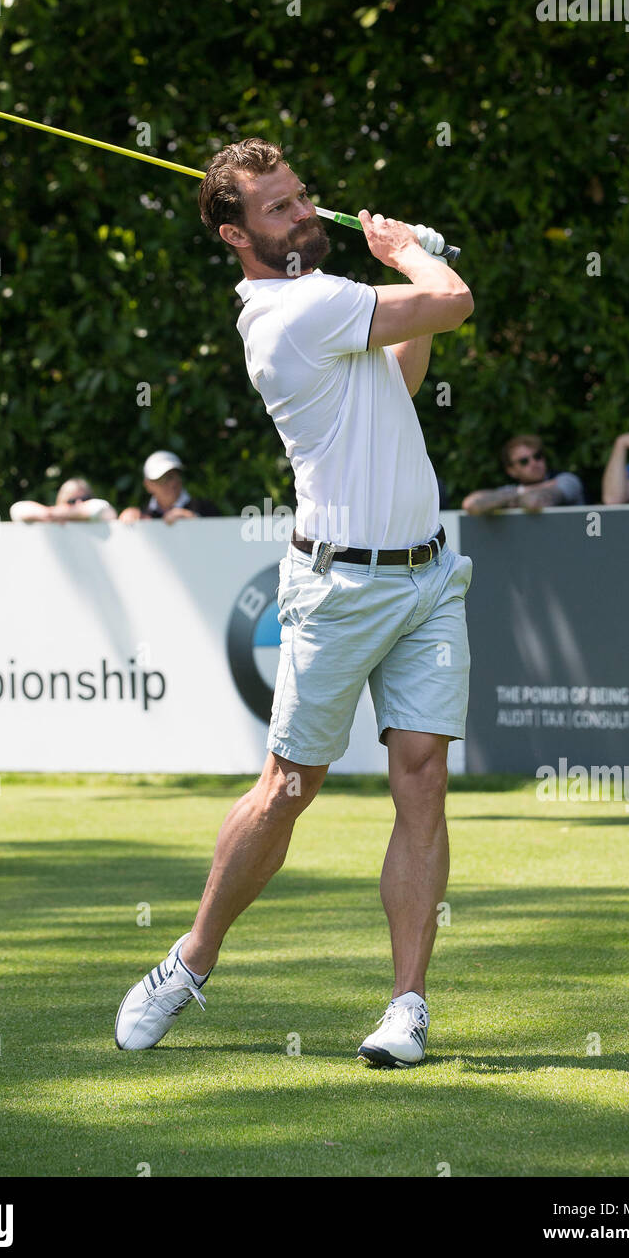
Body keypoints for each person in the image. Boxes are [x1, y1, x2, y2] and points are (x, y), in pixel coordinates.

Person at [115, 138, 474, 1068]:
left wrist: (413, 278)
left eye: (302, 195)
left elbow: (403, 374)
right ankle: (189, 962)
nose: (304, 213)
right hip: (341, 586)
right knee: (288, 790)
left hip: (430, 574)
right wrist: (411, 254)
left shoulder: (329, 307)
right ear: (236, 235)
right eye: (277, 210)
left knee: (423, 774)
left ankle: (406, 1006)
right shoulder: (294, 312)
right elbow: (453, 301)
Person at [461, 435, 584, 514]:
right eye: (524, 461)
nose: (534, 463)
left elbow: (534, 503)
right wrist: (520, 492)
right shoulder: (516, 490)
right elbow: (470, 503)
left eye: (537, 456)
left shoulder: (567, 480)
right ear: (511, 471)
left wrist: (508, 498)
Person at [117, 450, 220, 524]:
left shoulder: (206, 508)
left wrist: (194, 521)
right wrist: (125, 524)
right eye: (161, 479)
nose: (171, 483)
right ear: (148, 485)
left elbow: (219, 538)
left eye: (173, 476)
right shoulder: (142, 516)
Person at [9, 477, 116, 523]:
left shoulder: (100, 514)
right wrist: (51, 514)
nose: (79, 503)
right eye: (72, 501)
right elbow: (17, 509)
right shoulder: (53, 517)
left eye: (85, 499)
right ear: (61, 503)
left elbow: (101, 508)